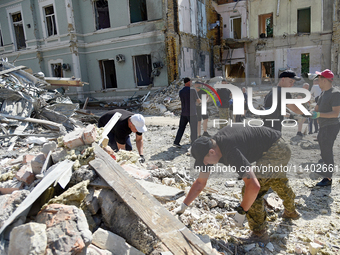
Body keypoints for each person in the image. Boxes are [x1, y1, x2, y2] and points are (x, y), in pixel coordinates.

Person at [174, 126, 299, 238]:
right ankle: (291, 211)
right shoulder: (212, 147)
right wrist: (184, 205)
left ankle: (259, 232)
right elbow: (201, 183)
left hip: (276, 149)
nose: (205, 164)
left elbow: (254, 186)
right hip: (275, 145)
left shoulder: (230, 151)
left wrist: (241, 211)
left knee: (251, 192)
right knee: (276, 180)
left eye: (204, 161)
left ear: (211, 152)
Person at [310, 69, 340, 187]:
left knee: (327, 151)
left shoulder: (335, 93)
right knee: (323, 150)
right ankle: (325, 170)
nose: (317, 81)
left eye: (319, 79)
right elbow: (316, 108)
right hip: (323, 126)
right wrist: (311, 112)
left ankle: (328, 178)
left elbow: (335, 113)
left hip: (331, 126)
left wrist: (319, 115)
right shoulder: (323, 93)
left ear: (324, 80)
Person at [174, 78, 200, 148]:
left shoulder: (181, 91)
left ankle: (176, 142)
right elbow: (198, 101)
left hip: (183, 113)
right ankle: (194, 143)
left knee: (181, 128)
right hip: (192, 113)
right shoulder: (193, 90)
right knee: (194, 129)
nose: (191, 83)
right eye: (191, 81)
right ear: (188, 82)